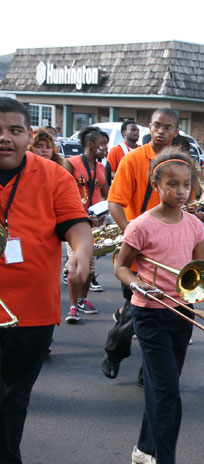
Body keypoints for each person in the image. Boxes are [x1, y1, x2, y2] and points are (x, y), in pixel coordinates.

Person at [114, 147, 204, 464]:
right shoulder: (141, 225)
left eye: (186, 185)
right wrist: (136, 283)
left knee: (162, 387)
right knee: (167, 392)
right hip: (148, 313)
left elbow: (202, 275)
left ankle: (144, 450)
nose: (181, 192)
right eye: (172, 185)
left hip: (183, 313)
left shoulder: (194, 224)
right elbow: (120, 266)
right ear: (156, 184)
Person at [0, 97, 91, 464]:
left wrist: (81, 254)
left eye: (15, 130)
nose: (5, 138)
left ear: (28, 136)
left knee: (14, 397)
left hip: (32, 312)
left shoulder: (54, 175)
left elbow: (75, 224)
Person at [102, 108, 180, 380]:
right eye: (157, 125)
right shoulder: (133, 159)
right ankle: (114, 352)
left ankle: (148, 371)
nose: (161, 131)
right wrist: (132, 235)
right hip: (135, 255)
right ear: (150, 126)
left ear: (176, 132)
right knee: (136, 312)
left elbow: (186, 203)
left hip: (169, 256)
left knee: (162, 317)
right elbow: (115, 202)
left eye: (167, 127)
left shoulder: (180, 163)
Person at [62, 126, 109, 323]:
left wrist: (103, 211)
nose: (106, 148)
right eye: (102, 144)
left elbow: (106, 194)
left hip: (96, 222)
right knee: (75, 264)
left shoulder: (100, 168)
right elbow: (61, 192)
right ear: (90, 144)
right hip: (75, 222)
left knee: (90, 265)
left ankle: (82, 299)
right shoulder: (70, 164)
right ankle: (72, 307)